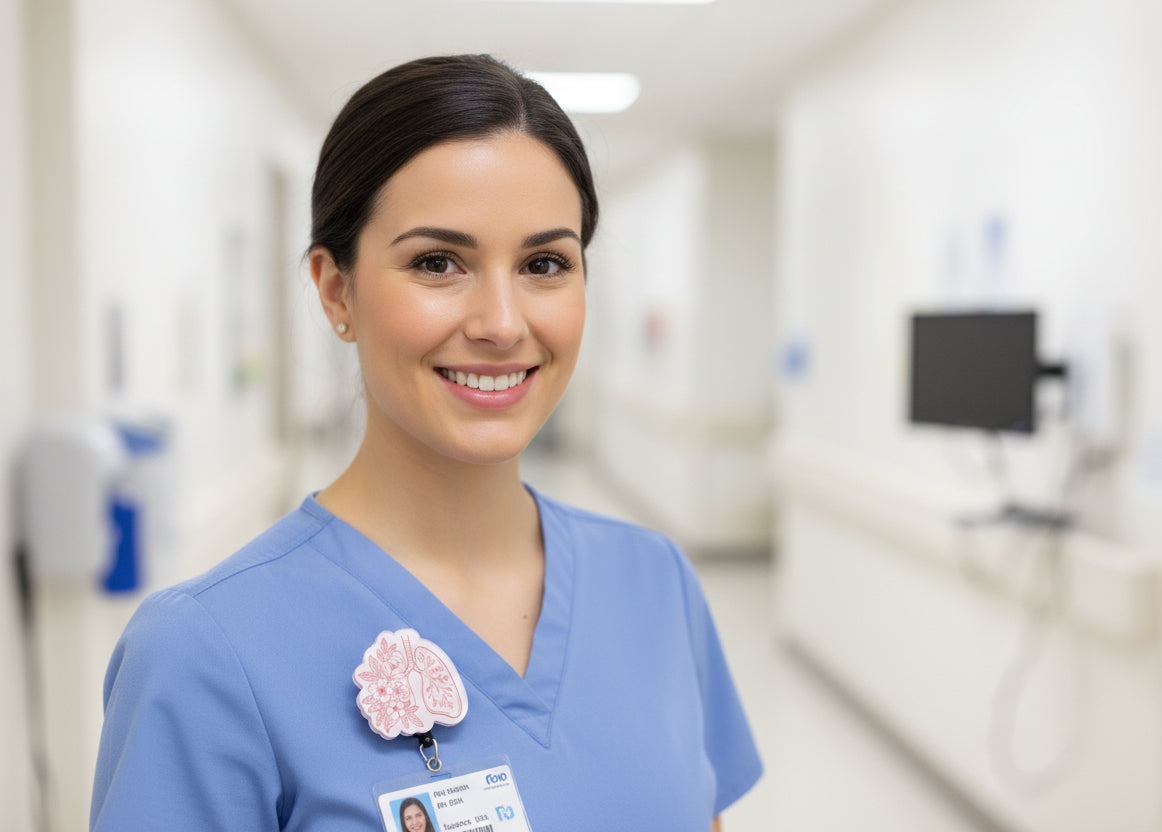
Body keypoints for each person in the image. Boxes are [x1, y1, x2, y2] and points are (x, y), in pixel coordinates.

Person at [91, 54, 761, 831]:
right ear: (336, 289)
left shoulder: (654, 584)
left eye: (546, 263)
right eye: (438, 263)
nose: (503, 323)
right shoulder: (205, 653)